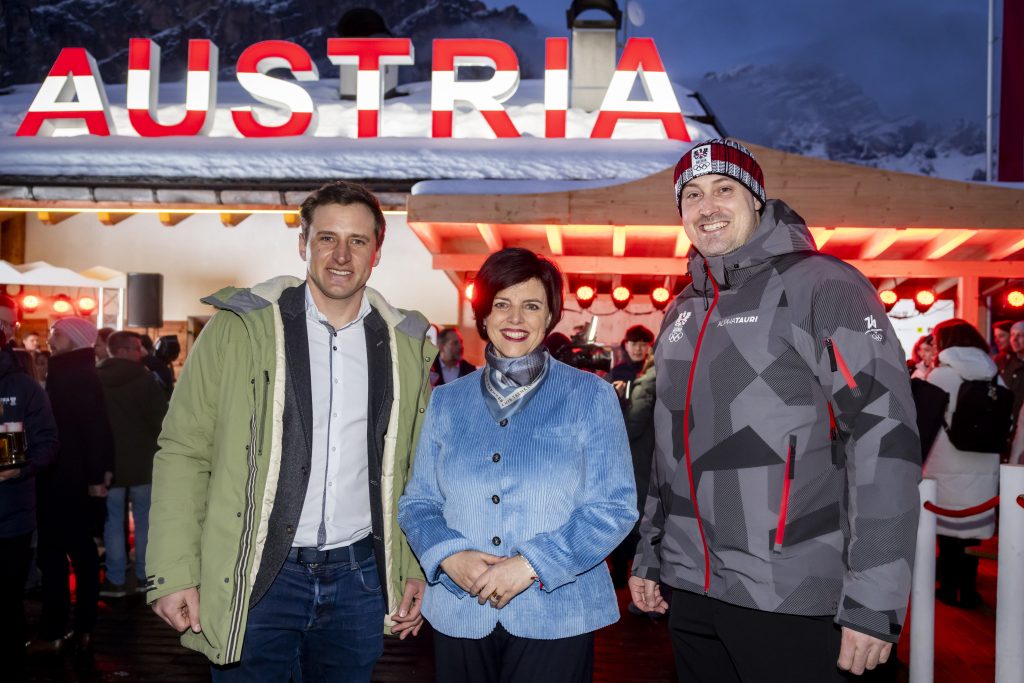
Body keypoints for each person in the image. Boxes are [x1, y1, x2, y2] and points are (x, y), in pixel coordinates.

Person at [630, 139, 921, 682]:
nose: (706, 206)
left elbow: (885, 437)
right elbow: (666, 452)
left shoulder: (823, 285)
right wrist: (650, 554)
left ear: (758, 200)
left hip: (795, 595)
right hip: (691, 590)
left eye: (724, 189)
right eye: (691, 195)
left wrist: (876, 598)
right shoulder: (682, 310)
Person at [146, 180, 434, 681]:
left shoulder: (404, 343)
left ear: (377, 252)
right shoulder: (240, 327)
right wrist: (174, 572)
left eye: (358, 241)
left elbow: (412, 468)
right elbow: (184, 450)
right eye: (327, 238)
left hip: (360, 581)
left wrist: (411, 566)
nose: (341, 255)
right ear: (303, 244)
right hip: (256, 576)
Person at [398, 247, 637, 683]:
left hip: (557, 611)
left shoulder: (590, 397)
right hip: (460, 608)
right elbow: (419, 502)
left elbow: (613, 508)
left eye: (531, 306)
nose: (515, 318)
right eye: (502, 304)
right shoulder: (447, 401)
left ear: (550, 317)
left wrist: (530, 564)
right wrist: (449, 557)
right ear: (483, 316)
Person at [34, 317, 115, 658]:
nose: (50, 339)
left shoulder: (68, 374)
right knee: (81, 554)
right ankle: (83, 627)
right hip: (78, 480)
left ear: (73, 339)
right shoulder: (81, 371)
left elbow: (92, 430)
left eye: (56, 335)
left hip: (62, 480)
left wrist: (96, 478)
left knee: (54, 556)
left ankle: (56, 630)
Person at [922, 318, 1003, 608]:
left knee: (946, 529)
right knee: (971, 532)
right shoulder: (994, 375)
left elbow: (925, 420)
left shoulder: (940, 376)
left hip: (946, 458)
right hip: (983, 460)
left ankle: (947, 586)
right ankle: (969, 590)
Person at [0, 295, 59, 677]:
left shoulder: (23, 387)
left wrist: (19, 470)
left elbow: (48, 444)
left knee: (6, 602)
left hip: (10, 516)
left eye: (7, 325)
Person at [97, 331, 168, 598]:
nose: (142, 353)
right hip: (143, 463)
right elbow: (161, 421)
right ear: (125, 350)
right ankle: (144, 577)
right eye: (138, 348)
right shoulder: (146, 379)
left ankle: (115, 580)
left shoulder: (96, 378)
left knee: (112, 522)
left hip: (108, 464)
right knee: (145, 522)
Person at [996, 321, 1024, 445]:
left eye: (1020, 335)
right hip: (1004, 427)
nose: (1014, 339)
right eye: (1012, 335)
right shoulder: (1002, 362)